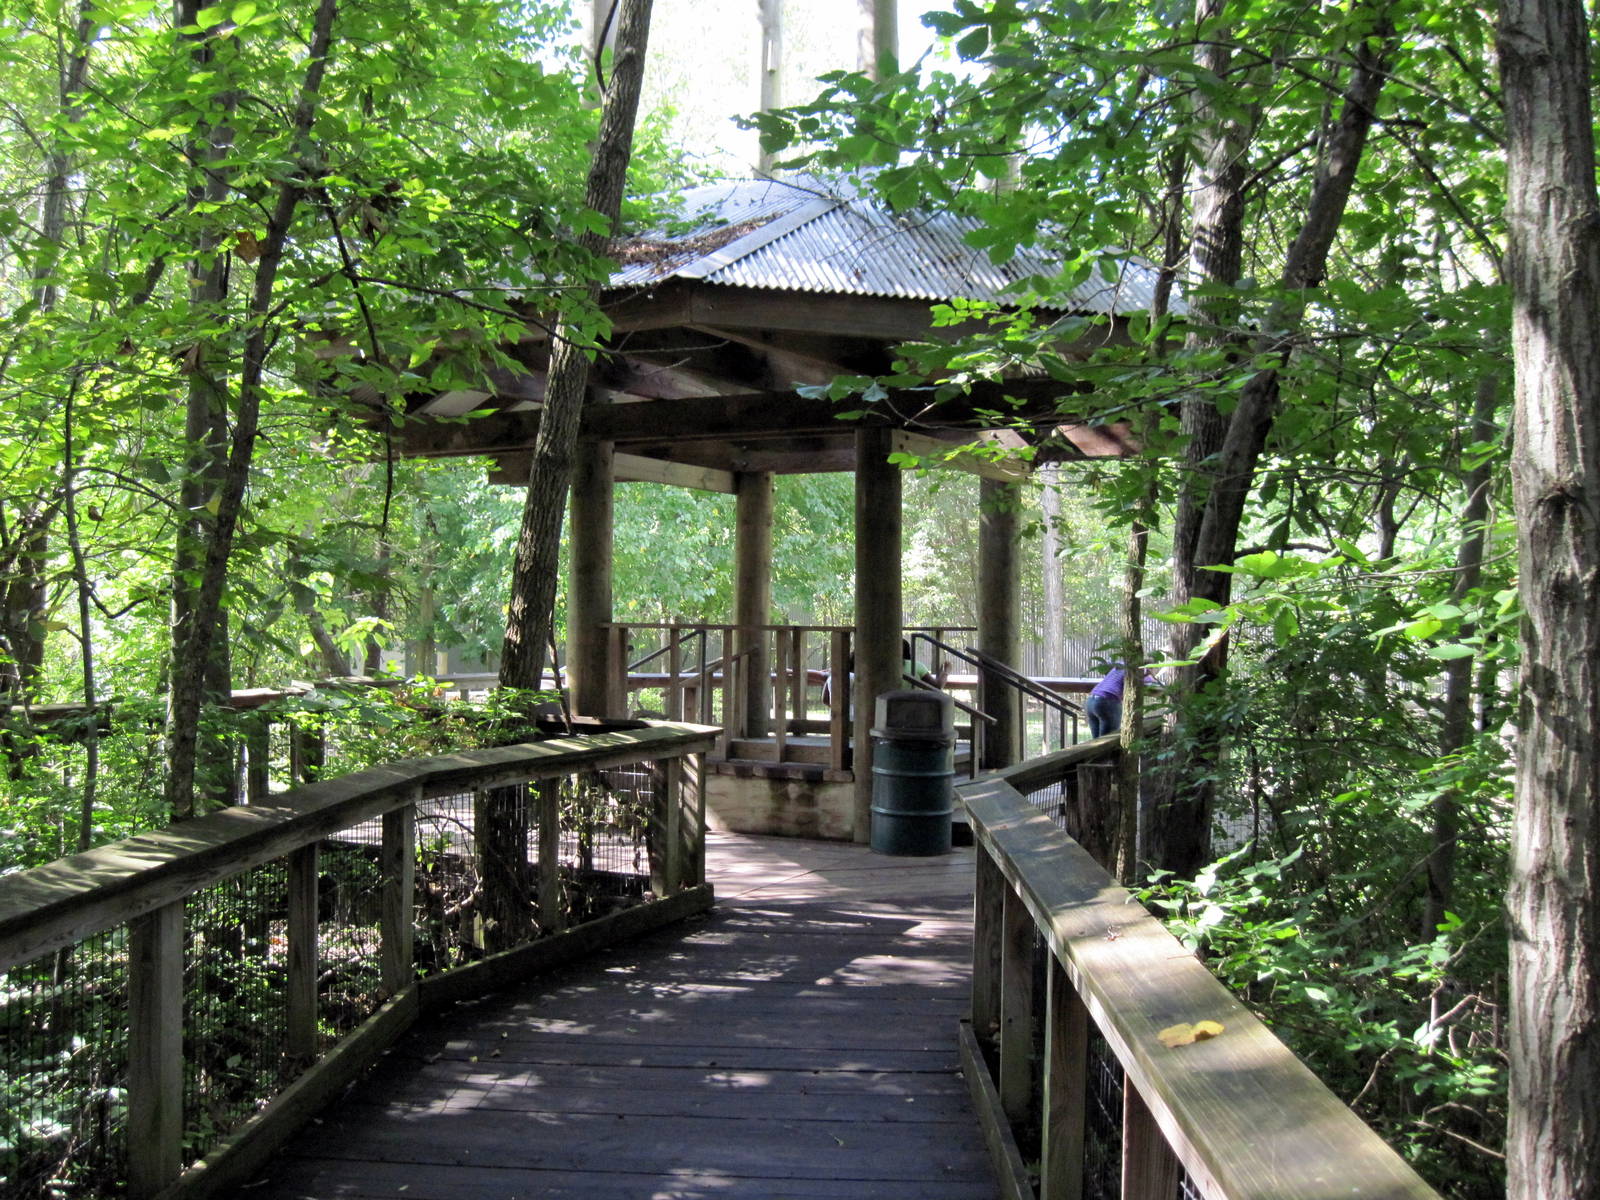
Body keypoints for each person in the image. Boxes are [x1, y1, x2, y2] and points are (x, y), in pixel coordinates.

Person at [1086, 664, 1156, 738]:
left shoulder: (1120, 666)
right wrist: (1151, 674)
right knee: (1108, 738)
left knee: (1096, 740)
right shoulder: (1140, 669)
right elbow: (1152, 683)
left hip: (1091, 700)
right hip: (1107, 700)